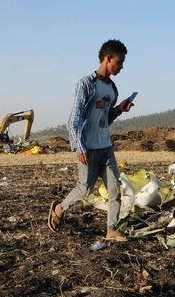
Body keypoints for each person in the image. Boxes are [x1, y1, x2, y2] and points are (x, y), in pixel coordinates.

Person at [48, 39, 134, 241]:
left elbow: (105, 119)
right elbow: (73, 120)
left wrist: (119, 110)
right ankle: (59, 208)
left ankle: (111, 230)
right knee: (84, 189)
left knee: (115, 190)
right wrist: (80, 147)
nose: (121, 67)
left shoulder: (113, 89)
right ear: (108, 58)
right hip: (88, 148)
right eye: (119, 62)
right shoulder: (86, 84)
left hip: (106, 147)